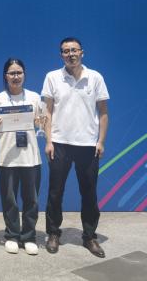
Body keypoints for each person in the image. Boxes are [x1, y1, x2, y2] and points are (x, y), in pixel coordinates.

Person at [42, 37, 109, 258]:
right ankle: (53, 233)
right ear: (61, 55)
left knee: (89, 193)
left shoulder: (95, 77)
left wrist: (100, 141)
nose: (70, 54)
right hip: (59, 143)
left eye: (74, 50)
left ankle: (89, 236)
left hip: (88, 145)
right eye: (65, 51)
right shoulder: (52, 77)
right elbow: (47, 111)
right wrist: (48, 141)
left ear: (82, 52)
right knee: (55, 192)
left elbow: (103, 112)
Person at [0, 58, 42, 256]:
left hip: (31, 157)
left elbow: (42, 124)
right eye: (12, 73)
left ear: (24, 75)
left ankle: (29, 236)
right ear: (6, 76)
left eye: (19, 72)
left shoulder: (34, 97)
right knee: (9, 199)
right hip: (7, 157)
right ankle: (12, 235)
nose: (16, 76)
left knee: (31, 199)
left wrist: (40, 121)